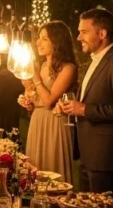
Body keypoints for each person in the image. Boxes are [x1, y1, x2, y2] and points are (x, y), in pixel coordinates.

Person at [57, 8, 113, 198]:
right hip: (89, 153)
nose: (78, 38)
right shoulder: (95, 61)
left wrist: (85, 109)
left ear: (102, 34)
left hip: (106, 156)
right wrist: (72, 107)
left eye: (84, 32)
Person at [22, 21, 78, 183]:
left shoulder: (67, 68)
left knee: (53, 167)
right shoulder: (41, 65)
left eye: (44, 39)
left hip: (54, 123)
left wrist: (35, 77)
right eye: (39, 38)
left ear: (58, 41)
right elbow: (38, 98)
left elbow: (49, 101)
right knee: (35, 167)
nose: (38, 42)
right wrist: (29, 100)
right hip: (37, 121)